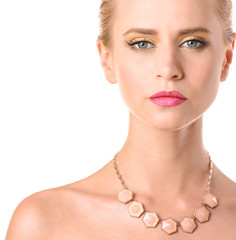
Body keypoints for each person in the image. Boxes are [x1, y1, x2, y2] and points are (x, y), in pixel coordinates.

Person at [5, 0, 236, 238]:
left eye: (192, 42)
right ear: (107, 59)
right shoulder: (44, 223)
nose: (168, 69)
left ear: (226, 58)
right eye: (142, 43)